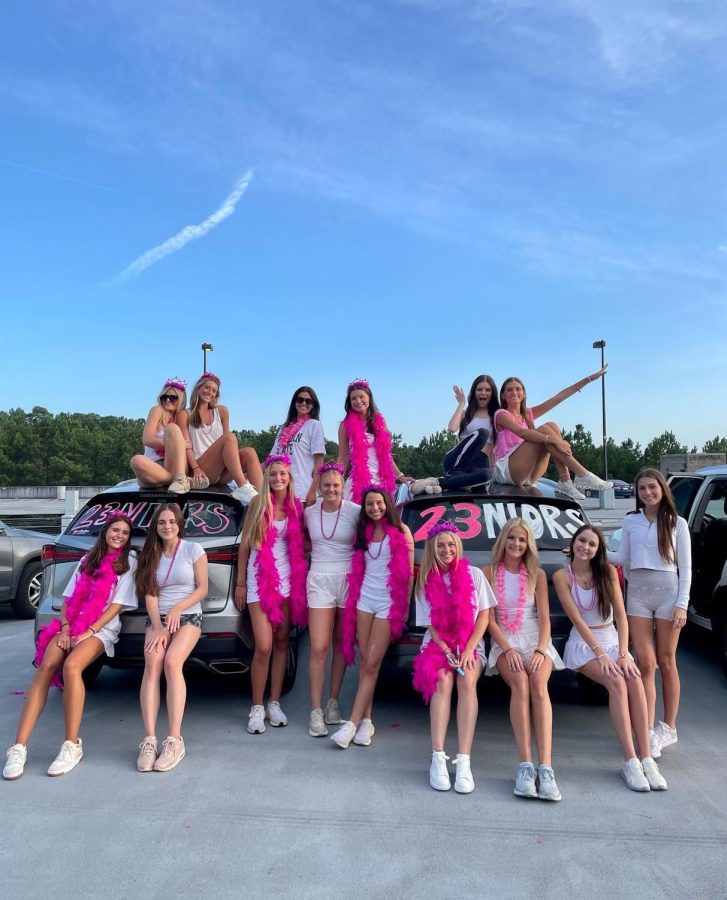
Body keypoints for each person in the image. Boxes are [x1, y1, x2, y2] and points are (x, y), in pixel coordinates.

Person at [3, 512, 137, 780]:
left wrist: (89, 631)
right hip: (71, 625)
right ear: (105, 531)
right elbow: (68, 600)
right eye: (115, 530)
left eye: (124, 533)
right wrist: (65, 629)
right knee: (47, 665)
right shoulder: (88, 560)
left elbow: (116, 606)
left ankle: (71, 745)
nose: (119, 536)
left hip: (101, 629)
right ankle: (18, 747)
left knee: (72, 667)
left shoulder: (128, 562)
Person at [554, 525, 667, 791]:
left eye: (592, 544)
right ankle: (629, 761)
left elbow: (621, 615)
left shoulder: (607, 573)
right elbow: (577, 621)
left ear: (598, 550)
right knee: (616, 683)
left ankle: (647, 759)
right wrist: (602, 654)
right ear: (573, 542)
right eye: (582, 541)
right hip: (584, 644)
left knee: (634, 678)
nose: (586, 547)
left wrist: (624, 653)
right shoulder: (563, 576)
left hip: (611, 639)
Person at [608, 468, 691, 760]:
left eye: (652, 487)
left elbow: (686, 568)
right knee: (645, 663)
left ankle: (668, 727)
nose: (647, 493)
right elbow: (622, 558)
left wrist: (682, 603)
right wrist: (590, 551)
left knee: (667, 661)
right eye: (641, 488)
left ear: (662, 489)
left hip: (668, 592)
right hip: (638, 594)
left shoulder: (677, 523)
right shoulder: (631, 521)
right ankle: (645, 730)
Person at [483, 518, 564, 801]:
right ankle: (526, 767)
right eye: (512, 538)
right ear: (503, 540)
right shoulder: (489, 572)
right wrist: (506, 649)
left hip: (535, 639)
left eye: (522, 540)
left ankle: (546, 767)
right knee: (520, 683)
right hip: (505, 640)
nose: (516, 544)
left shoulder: (537, 575)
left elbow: (544, 618)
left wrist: (542, 650)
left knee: (539, 686)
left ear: (528, 544)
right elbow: (489, 619)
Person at [412, 522, 496, 793]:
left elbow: (484, 616)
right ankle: (437, 756)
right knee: (441, 680)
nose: (446, 550)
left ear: (458, 546)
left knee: (467, 680)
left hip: (469, 643)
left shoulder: (474, 575)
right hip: (439, 644)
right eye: (440, 545)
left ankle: (463, 760)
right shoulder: (426, 579)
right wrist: (447, 650)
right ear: (432, 550)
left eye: (451, 545)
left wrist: (469, 648)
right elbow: (430, 626)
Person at [331, 486, 414, 749]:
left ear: (387, 504)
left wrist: (404, 607)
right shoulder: (363, 533)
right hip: (365, 600)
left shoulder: (401, 531)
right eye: (369, 504)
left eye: (378, 503)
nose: (374, 508)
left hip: (388, 603)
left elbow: (409, 573)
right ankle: (366, 720)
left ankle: (352, 723)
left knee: (372, 663)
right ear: (364, 507)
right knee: (366, 660)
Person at [235, 454, 308, 735]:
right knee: (263, 645)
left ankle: (274, 702)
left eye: (283, 474)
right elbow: (244, 547)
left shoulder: (295, 507)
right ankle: (256, 706)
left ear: (289, 478)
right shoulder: (257, 503)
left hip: (287, 582)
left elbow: (302, 543)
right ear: (267, 477)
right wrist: (241, 583)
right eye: (273, 474)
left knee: (281, 641)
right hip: (258, 581)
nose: (278, 478)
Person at [135, 503, 208, 772]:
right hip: (158, 619)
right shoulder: (150, 553)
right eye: (162, 522)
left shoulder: (192, 550)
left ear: (179, 523)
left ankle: (174, 739)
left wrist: (178, 608)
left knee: (172, 662)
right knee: (152, 664)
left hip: (188, 615)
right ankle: (150, 740)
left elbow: (202, 589)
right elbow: (150, 593)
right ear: (155, 526)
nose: (167, 526)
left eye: (171, 521)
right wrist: (159, 626)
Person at [492, 371, 613, 500]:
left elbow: (557, 399)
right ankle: (583, 474)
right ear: (503, 395)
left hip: (529, 473)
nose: (514, 392)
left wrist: (588, 379)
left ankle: (565, 481)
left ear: (524, 394)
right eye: (509, 390)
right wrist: (556, 441)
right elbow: (522, 432)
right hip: (508, 471)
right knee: (544, 430)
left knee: (552, 425)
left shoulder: (528, 414)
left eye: (518, 389)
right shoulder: (501, 414)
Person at [304, 462, 360, 737]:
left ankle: (333, 701)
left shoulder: (355, 511)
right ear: (319, 485)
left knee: (341, 643)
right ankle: (315, 709)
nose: (331, 489)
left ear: (343, 486)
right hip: (319, 579)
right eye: (326, 484)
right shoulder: (309, 513)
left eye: (336, 485)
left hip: (348, 578)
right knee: (318, 647)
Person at [178, 372, 262, 505]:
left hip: (221, 472)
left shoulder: (221, 411)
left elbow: (229, 446)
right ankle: (242, 486)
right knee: (229, 438)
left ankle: (263, 502)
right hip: (201, 470)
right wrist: (195, 468)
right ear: (199, 388)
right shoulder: (185, 414)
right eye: (207, 388)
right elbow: (186, 446)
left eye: (214, 391)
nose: (210, 392)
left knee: (249, 452)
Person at [412, 375, 499, 495]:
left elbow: (493, 450)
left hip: (477, 465)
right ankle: (452, 476)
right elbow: (452, 428)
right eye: (479, 389)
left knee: (486, 474)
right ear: (474, 392)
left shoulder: (496, 417)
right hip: (457, 460)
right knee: (482, 433)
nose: (483, 393)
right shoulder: (465, 414)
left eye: (488, 390)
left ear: (492, 393)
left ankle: (441, 482)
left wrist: (494, 475)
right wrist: (461, 403)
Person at [337, 379, 414, 503]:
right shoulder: (345, 426)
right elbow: (342, 458)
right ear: (350, 402)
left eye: (361, 397)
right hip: (358, 482)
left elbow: (386, 454)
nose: (358, 401)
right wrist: (337, 482)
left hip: (381, 482)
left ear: (369, 398)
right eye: (354, 398)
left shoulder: (380, 422)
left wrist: (400, 476)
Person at [130, 377, 191, 493]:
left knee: (172, 428)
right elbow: (147, 439)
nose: (167, 400)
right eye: (164, 397)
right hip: (153, 467)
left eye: (173, 398)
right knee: (136, 460)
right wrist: (178, 444)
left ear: (181, 399)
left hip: (176, 465)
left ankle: (180, 479)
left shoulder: (182, 417)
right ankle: (181, 481)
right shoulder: (157, 410)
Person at [271, 386, 326, 506]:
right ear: (294, 402)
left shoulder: (314, 425)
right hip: (281, 490)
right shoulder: (283, 429)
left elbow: (319, 463)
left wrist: (313, 491)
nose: (303, 403)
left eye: (308, 401)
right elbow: (271, 459)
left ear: (313, 405)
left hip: (302, 492)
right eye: (300, 400)